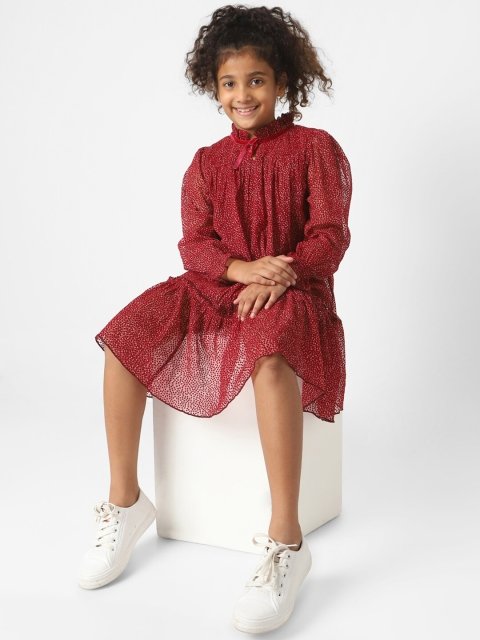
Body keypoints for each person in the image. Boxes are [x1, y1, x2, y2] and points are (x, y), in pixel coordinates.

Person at [78, 4, 352, 633]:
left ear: (282, 82)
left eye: (256, 80)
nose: (242, 94)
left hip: (294, 292)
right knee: (124, 338)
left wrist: (276, 273)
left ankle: (287, 540)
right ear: (214, 88)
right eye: (229, 83)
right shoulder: (205, 163)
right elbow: (195, 244)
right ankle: (125, 501)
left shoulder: (316, 149)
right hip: (220, 286)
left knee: (272, 354)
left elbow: (330, 235)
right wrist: (241, 270)